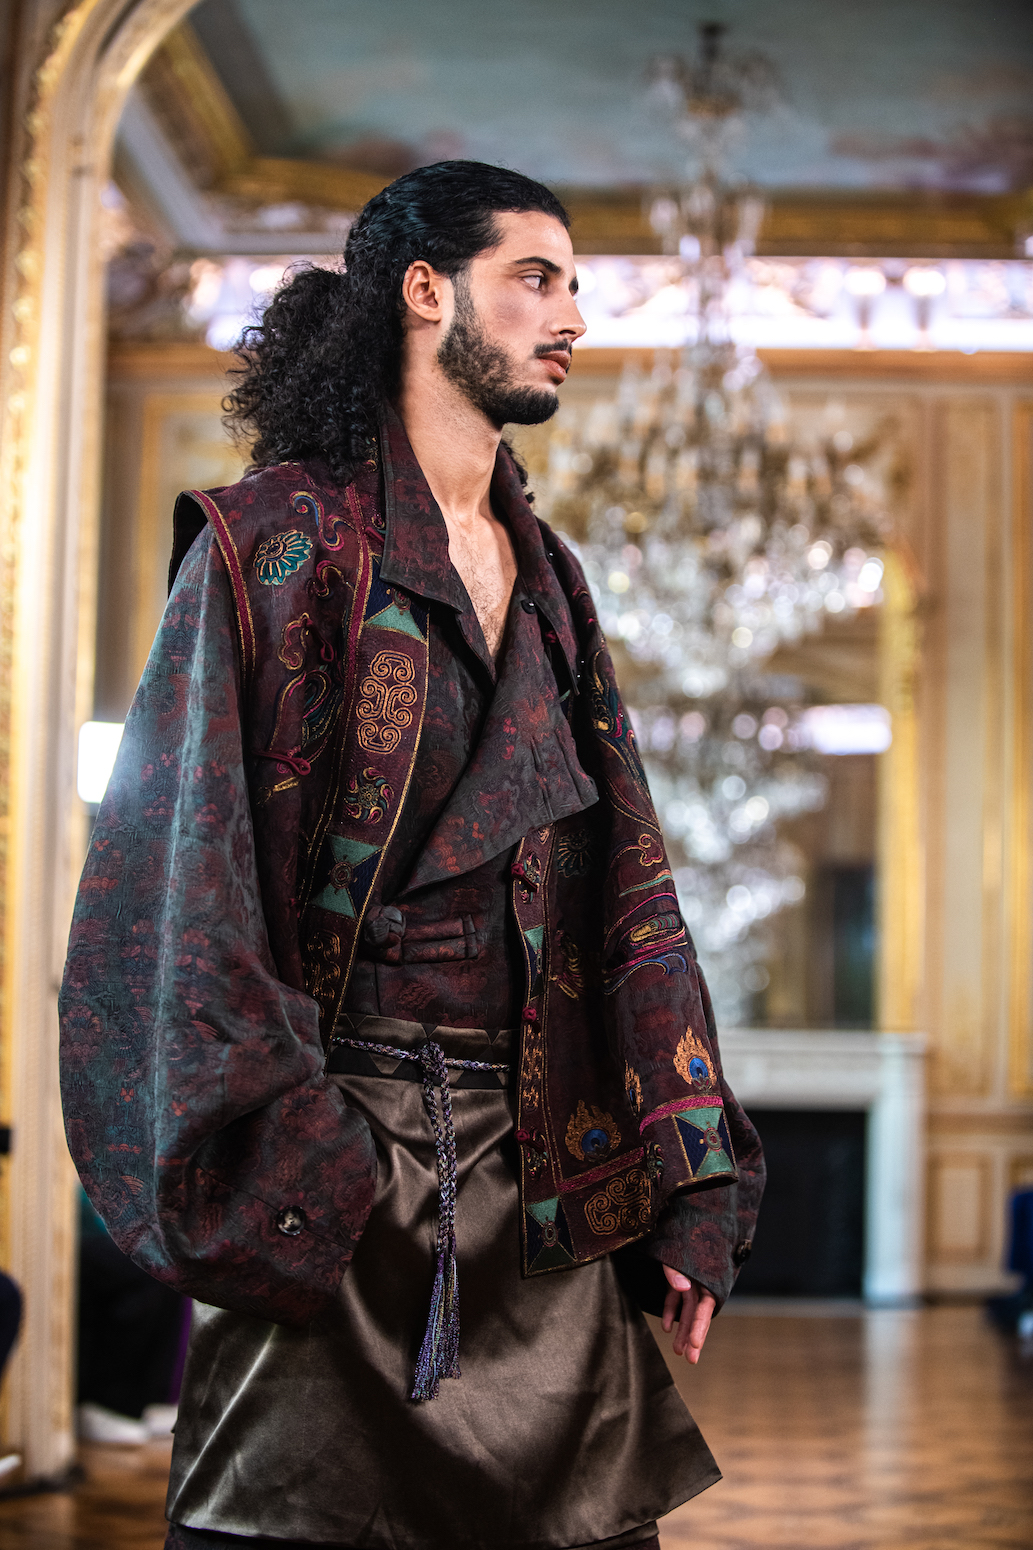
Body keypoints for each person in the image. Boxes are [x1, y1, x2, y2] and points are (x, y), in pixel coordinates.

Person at [60, 161, 764, 1550]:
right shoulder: (273, 544)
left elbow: (624, 880)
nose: (572, 316)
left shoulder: (550, 579)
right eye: (535, 278)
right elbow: (185, 884)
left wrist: (685, 1173)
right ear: (424, 291)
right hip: (343, 1179)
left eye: (575, 284)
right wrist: (312, 1162)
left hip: (551, 1176)